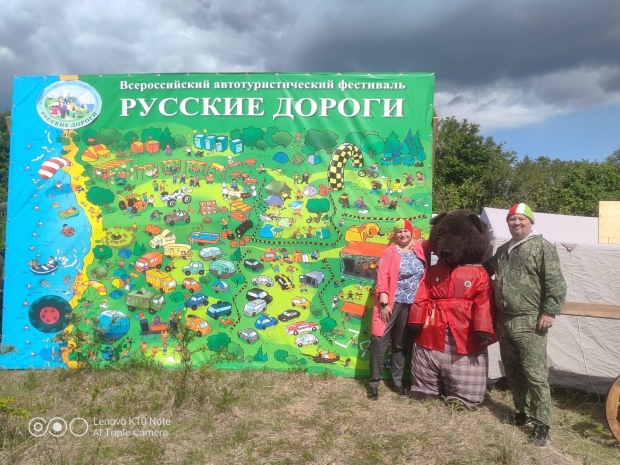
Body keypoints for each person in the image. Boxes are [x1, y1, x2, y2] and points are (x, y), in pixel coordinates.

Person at [485, 203, 567, 447]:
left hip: (530, 320)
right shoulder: (503, 250)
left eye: (521, 219)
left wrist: (550, 311)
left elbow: (556, 282)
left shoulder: (541, 247)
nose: (517, 223)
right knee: (513, 370)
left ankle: (542, 425)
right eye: (512, 219)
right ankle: (522, 412)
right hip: (505, 320)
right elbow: (485, 269)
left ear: (530, 222)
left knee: (535, 374)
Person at [368, 219, 428, 400]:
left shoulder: (419, 248)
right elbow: (382, 277)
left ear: (411, 232)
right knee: (379, 341)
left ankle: (397, 382)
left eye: (405, 231)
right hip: (391, 303)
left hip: (411, 305)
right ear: (395, 234)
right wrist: (384, 304)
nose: (402, 234)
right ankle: (373, 384)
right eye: (399, 231)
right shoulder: (390, 252)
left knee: (401, 344)